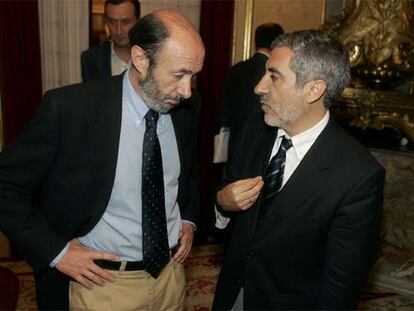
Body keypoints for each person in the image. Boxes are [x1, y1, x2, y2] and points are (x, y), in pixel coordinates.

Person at [0, 9, 204, 311]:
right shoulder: (70, 109)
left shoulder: (186, 108)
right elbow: (5, 188)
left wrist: (187, 218)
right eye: (178, 75)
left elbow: (187, 171)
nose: (187, 91)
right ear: (140, 60)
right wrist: (57, 252)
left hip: (171, 280)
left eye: (193, 76)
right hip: (101, 287)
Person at [212, 30, 385, 310]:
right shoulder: (255, 129)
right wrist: (222, 202)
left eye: (274, 76)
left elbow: (340, 290)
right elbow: (228, 191)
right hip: (231, 295)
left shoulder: (358, 176)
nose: (259, 87)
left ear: (313, 89)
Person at [217, 23, 284, 163]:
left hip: (234, 144)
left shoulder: (235, 69)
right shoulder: (276, 74)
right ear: (277, 42)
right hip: (262, 146)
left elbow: (224, 110)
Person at [81, 0, 140, 81]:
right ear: (106, 21)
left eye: (125, 22)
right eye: (112, 22)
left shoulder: (152, 56)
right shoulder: (91, 59)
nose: (118, 30)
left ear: (137, 21)